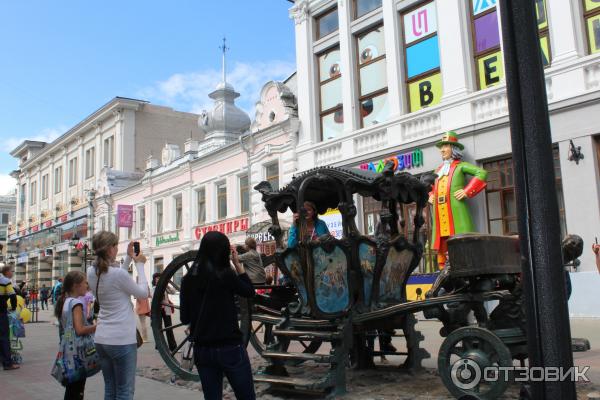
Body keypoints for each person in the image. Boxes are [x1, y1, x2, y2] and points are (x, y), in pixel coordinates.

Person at [180, 231, 256, 400]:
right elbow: (249, 291)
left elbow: (184, 318)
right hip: (230, 347)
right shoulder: (225, 275)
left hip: (203, 350)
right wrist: (238, 266)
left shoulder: (187, 280)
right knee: (246, 396)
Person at [87, 231, 149, 400]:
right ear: (109, 249)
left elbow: (115, 279)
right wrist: (140, 265)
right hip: (121, 340)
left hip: (102, 339)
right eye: (115, 245)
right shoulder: (117, 274)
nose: (117, 248)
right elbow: (143, 293)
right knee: (124, 392)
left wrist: (128, 258)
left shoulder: (91, 272)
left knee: (110, 389)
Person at [429, 131, 488, 268]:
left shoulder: (461, 166)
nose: (442, 150)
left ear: (454, 149)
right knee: (442, 244)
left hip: (456, 213)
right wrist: (431, 195)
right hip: (440, 214)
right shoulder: (437, 170)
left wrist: (467, 191)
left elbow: (482, 173)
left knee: (460, 242)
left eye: (446, 146)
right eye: (441, 147)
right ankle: (443, 271)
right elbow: (429, 185)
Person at [54, 270, 97, 400]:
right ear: (75, 285)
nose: (87, 286)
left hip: (68, 351)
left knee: (71, 389)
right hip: (78, 353)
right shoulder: (76, 303)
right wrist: (98, 327)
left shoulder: (66, 301)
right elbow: (80, 329)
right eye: (85, 283)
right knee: (77, 389)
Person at [151, 273, 177, 352]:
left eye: (160, 278)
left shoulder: (164, 287)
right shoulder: (154, 288)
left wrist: (167, 285)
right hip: (157, 310)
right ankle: (159, 347)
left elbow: (173, 292)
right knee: (158, 328)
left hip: (166, 310)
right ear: (154, 280)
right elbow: (154, 297)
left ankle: (173, 347)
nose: (158, 279)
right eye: (157, 278)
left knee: (169, 327)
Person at [0, 265, 19, 370]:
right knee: (4, 337)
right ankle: (7, 363)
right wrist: (13, 307)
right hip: (1, 312)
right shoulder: (4, 280)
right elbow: (12, 295)